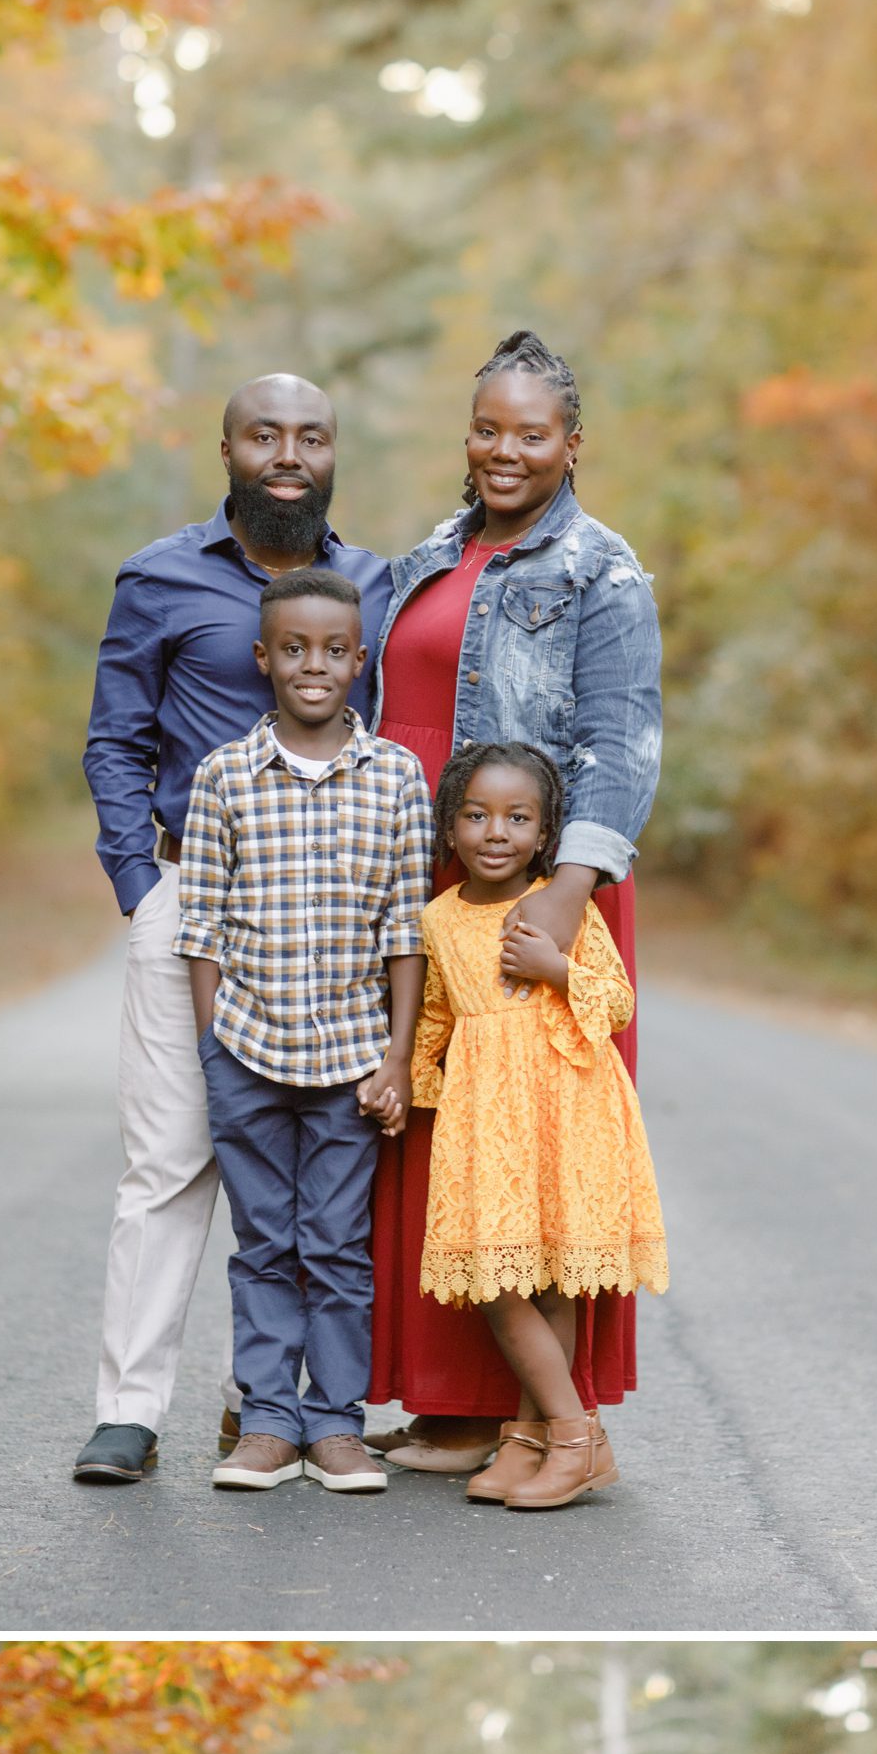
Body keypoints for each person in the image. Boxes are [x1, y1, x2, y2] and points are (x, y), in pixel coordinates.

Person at [75, 374, 392, 1484]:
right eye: (267, 434)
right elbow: (113, 739)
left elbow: (382, 734)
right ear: (228, 449)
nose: (288, 454)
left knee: (315, 1183)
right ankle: (130, 1412)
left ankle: (281, 1402)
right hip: (190, 906)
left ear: (332, 452)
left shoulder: (370, 582)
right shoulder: (159, 577)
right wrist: (137, 883)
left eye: (310, 435)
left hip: (329, 932)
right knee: (169, 1161)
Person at [369, 328, 663, 1476]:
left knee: (534, 1149)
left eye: (529, 434)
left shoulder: (602, 569)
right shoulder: (430, 553)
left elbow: (622, 739)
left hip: (537, 882)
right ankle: (449, 1405)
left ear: (571, 445)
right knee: (439, 1135)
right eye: (486, 428)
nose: (503, 450)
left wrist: (568, 891)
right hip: (435, 867)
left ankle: (543, 1413)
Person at [173, 570, 428, 1491]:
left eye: (332, 651)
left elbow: (406, 928)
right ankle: (268, 1422)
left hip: (353, 1059)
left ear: (360, 660)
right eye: (293, 649)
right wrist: (213, 1043)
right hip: (247, 1046)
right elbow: (199, 922)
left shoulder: (396, 777)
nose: (312, 666)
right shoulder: (225, 776)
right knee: (264, 1245)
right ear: (264, 660)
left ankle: (336, 1425)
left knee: (335, 1244)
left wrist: (397, 1056)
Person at [409, 743, 668, 1513]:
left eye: (518, 818)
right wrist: (410, 1080)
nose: (497, 832)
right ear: (450, 828)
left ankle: (562, 1436)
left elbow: (615, 1003)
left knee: (556, 1275)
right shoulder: (440, 919)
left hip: (569, 1105)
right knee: (499, 1278)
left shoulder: (562, 905)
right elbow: (436, 1016)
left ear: (545, 831)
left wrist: (557, 968)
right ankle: (545, 1436)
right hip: (488, 1117)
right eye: (477, 815)